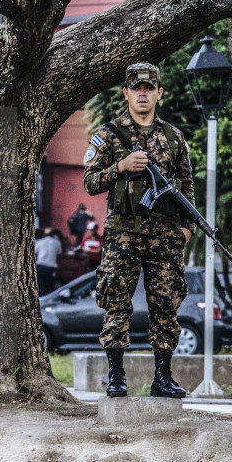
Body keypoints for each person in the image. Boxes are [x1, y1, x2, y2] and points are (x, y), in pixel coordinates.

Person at [83, 62, 195, 399]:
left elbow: (187, 188)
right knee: (116, 303)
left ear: (159, 93)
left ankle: (163, 377)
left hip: (165, 237)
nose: (143, 93)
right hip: (123, 235)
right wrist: (119, 167)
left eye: (149, 87)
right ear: (126, 93)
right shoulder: (108, 135)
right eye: (136, 88)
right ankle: (116, 377)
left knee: (166, 306)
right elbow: (89, 182)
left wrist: (186, 231)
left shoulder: (174, 138)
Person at [34, 227, 62, 296]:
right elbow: (59, 252)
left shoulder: (40, 242)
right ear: (53, 235)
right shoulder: (57, 243)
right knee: (49, 286)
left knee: (41, 286)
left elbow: (34, 251)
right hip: (50, 268)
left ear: (44, 235)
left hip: (40, 266)